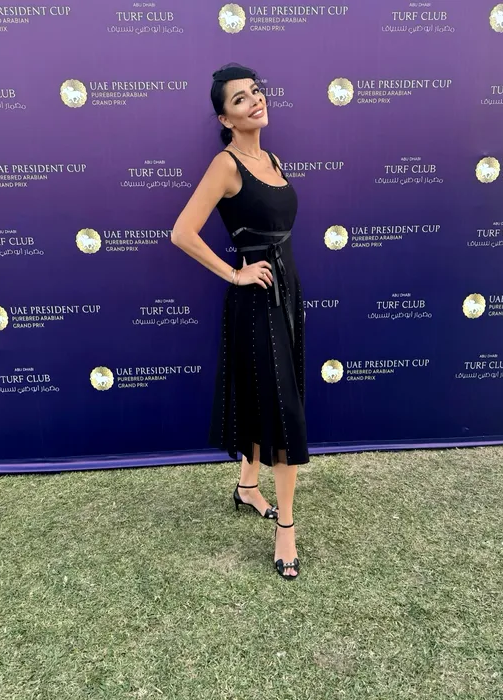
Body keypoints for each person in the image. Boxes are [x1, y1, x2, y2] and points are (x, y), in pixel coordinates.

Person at [171, 63, 308, 580]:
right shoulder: (225, 165)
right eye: (240, 99)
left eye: (256, 92)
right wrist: (235, 273)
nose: (255, 101)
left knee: (266, 396)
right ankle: (286, 528)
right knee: (283, 410)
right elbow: (182, 232)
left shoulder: (271, 159)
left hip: (287, 293)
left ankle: (248, 486)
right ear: (225, 118)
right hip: (256, 299)